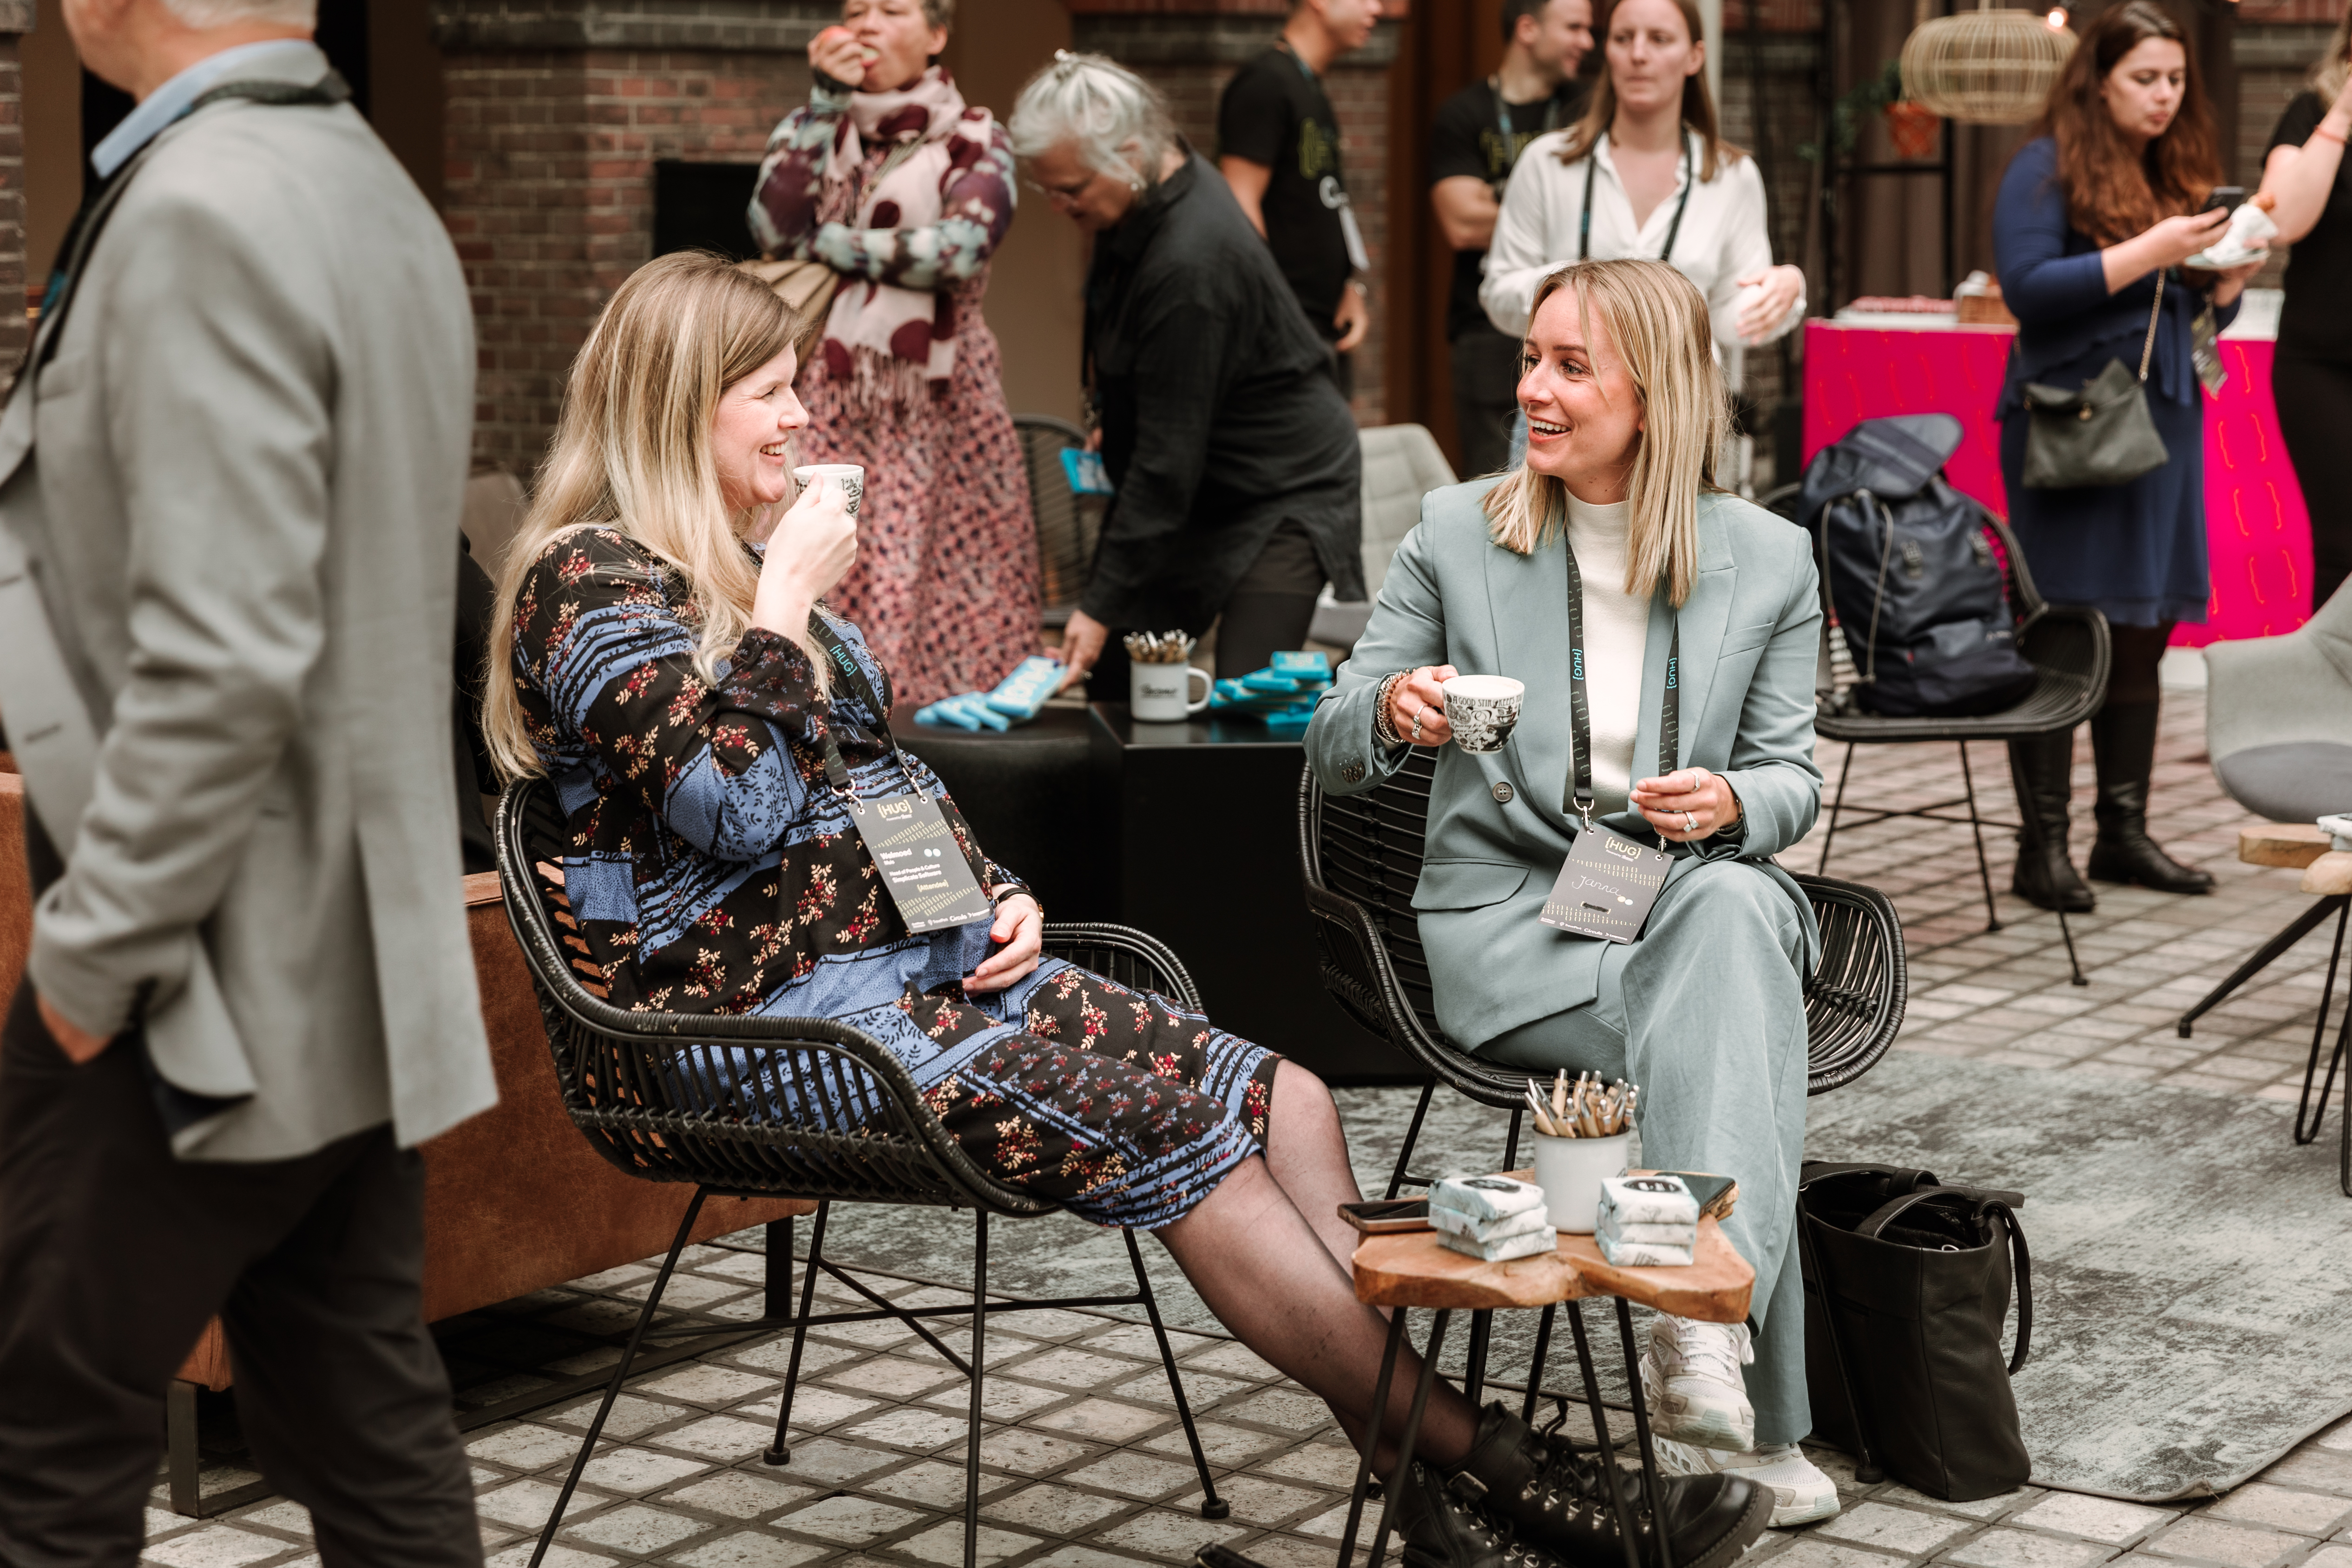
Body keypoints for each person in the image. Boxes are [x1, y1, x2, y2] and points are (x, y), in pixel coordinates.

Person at [484, 249, 1770, 1568]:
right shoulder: (589, 585)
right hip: (764, 1028)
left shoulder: (743, 576)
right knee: (1172, 1127)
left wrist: (997, 897)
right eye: (767, 391)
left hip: (917, 984)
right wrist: (790, 602)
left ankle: (1430, 1489)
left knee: (1289, 1096)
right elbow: (735, 808)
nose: (801, 418)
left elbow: (886, 786)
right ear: (673, 403)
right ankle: (1505, 1472)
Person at [0, 0, 495, 1559]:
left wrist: (86, 970)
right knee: (358, 1415)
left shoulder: (204, 205)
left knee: (37, 1441)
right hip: (352, 963)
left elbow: (223, 664)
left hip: (196, 976)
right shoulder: (371, 186)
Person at [1306, 258, 1838, 1530]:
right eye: (1530, 358)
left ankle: (1696, 1343)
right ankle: (1730, 1379)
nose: (1528, 388)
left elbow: (1788, 780)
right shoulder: (1455, 529)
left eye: (1567, 365)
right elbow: (1328, 740)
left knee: (1726, 913)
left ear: (1649, 395)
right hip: (1510, 925)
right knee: (1736, 993)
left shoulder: (1765, 558)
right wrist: (1391, 705)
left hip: (1668, 903)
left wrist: (1727, 806)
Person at [1991, 0, 2261, 912]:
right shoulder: (2043, 163)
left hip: (2161, 424)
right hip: (2070, 426)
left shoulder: (2168, 165)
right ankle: (2043, 848)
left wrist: (2221, 287)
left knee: (2142, 628)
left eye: (2175, 79)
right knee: (2063, 627)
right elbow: (2027, 290)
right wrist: (2155, 248)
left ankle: (2121, 831)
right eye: (2143, 77)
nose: (2162, 95)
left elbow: (2176, 321)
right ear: (2096, 78)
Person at [1007, 55, 1365, 696]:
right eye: (1047, 189)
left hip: (1285, 484)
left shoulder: (1191, 266)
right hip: (1198, 476)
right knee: (1120, 679)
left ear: (1130, 152)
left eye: (1072, 189)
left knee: (1249, 699)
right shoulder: (1153, 178)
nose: (1059, 206)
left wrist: (1094, 606)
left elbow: (1165, 471)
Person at [747, 0, 1037, 708]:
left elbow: (956, 249)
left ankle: (938, 739)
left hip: (942, 394)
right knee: (832, 546)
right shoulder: (812, 126)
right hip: (833, 384)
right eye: (854, 10)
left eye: (892, 9)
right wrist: (823, 103)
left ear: (938, 35)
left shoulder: (975, 136)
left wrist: (824, 243)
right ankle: (825, 706)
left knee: (943, 565)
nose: (868, 24)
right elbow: (767, 223)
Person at [1480, 0, 1804, 401]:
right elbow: (1498, 297)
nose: (1637, 54)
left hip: (1682, 417)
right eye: (1622, 38)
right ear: (1608, 52)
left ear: (1694, 57)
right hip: (1565, 409)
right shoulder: (1548, 163)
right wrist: (1580, 284)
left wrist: (1784, 292)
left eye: (1659, 39)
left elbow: (1726, 320)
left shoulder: (1730, 176)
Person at [1430, 0, 1596, 475]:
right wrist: (1555, 215)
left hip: (1578, 332)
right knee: (1495, 488)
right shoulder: (1464, 113)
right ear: (1527, 29)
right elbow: (1460, 223)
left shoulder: (1587, 108)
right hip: (1487, 328)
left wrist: (1499, 199)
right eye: (1574, 27)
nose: (1587, 41)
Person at [1216, 0, 1381, 398]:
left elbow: (1323, 202)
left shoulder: (1308, 85)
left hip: (1319, 324)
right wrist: (1279, 315)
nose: (1376, 9)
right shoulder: (1265, 83)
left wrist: (1346, 288)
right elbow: (1238, 203)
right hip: (1282, 333)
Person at [2257, 7, 2352, 612]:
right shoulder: (2310, 112)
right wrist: (2342, 112)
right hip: (2322, 365)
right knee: (2345, 545)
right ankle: (2335, 702)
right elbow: (2282, 221)